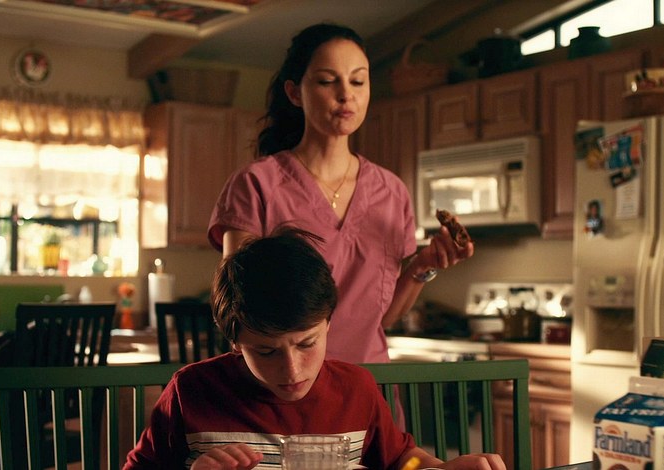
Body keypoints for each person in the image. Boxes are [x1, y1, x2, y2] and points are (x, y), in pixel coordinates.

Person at [123, 226, 504, 470]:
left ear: (328, 323)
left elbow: (403, 461)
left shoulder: (356, 389)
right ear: (235, 341)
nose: (292, 370)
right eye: (266, 352)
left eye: (307, 343)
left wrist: (439, 468)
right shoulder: (191, 392)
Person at [208, 23, 473, 365]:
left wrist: (423, 265)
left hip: (368, 382)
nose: (346, 94)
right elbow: (240, 310)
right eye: (326, 81)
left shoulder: (392, 192)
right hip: (289, 382)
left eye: (358, 81)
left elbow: (380, 321)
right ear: (294, 93)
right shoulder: (255, 184)